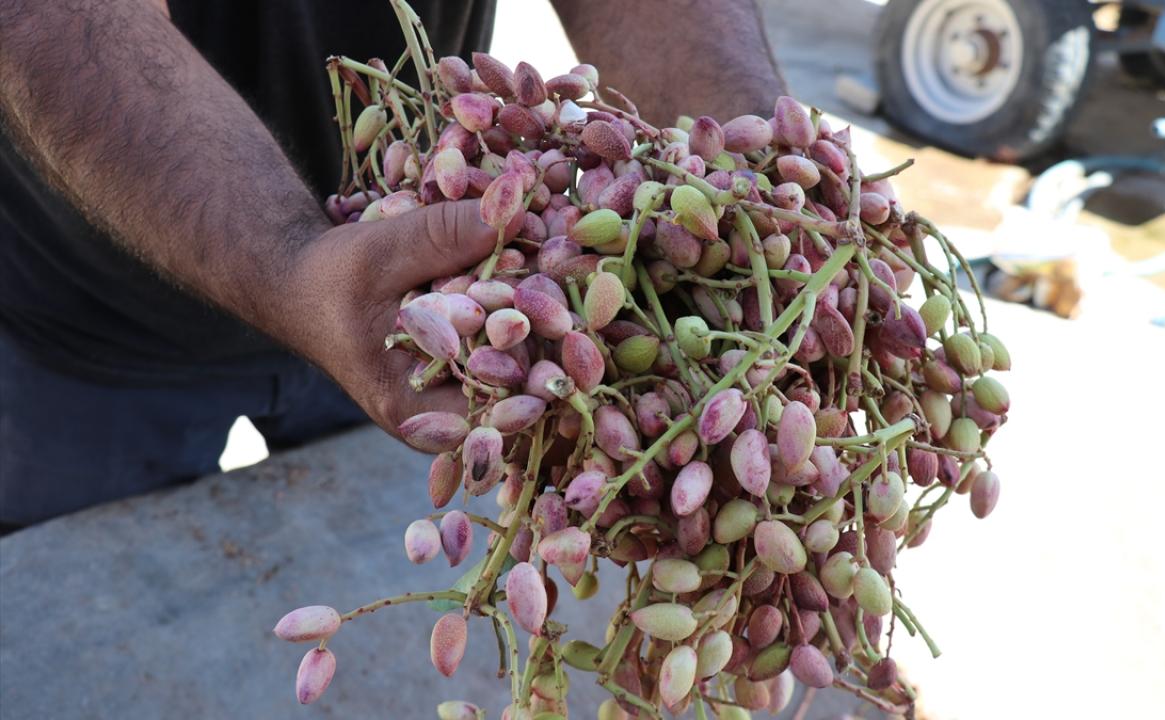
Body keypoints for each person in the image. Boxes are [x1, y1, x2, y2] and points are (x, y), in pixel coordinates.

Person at [0, 0, 787, 530]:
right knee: (80, 614)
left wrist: (759, 173)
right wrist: (285, 263)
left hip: (412, 302)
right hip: (88, 321)